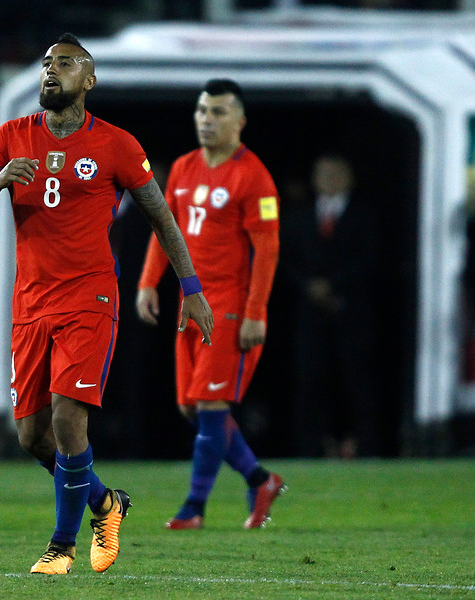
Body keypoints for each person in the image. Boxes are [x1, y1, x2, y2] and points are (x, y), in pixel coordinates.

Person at [0, 34, 214, 574]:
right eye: (47, 62)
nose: (52, 70)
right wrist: (0, 180)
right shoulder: (10, 136)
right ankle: (106, 503)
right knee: (31, 436)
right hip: (30, 303)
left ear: (88, 81)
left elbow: (161, 217)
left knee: (69, 420)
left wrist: (190, 290)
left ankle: (61, 547)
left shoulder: (116, 144)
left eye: (66, 63)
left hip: (90, 297)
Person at [136, 79, 285, 531]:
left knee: (210, 405)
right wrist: (147, 284)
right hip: (189, 303)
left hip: (230, 305)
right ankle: (261, 480)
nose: (207, 119)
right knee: (193, 407)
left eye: (218, 112)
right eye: (202, 110)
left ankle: (193, 507)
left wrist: (256, 312)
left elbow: (268, 247)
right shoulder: (182, 168)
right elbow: (167, 230)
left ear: (240, 121)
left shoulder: (253, 175)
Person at [281, 154, 380, 458]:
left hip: (352, 312)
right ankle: (310, 448)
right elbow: (285, 260)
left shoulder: (365, 217)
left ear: (349, 178)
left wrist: (334, 287)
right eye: (323, 173)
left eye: (336, 173)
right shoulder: (299, 217)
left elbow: (371, 260)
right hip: (311, 315)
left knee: (357, 382)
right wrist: (309, 288)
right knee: (310, 381)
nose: (329, 180)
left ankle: (364, 446)